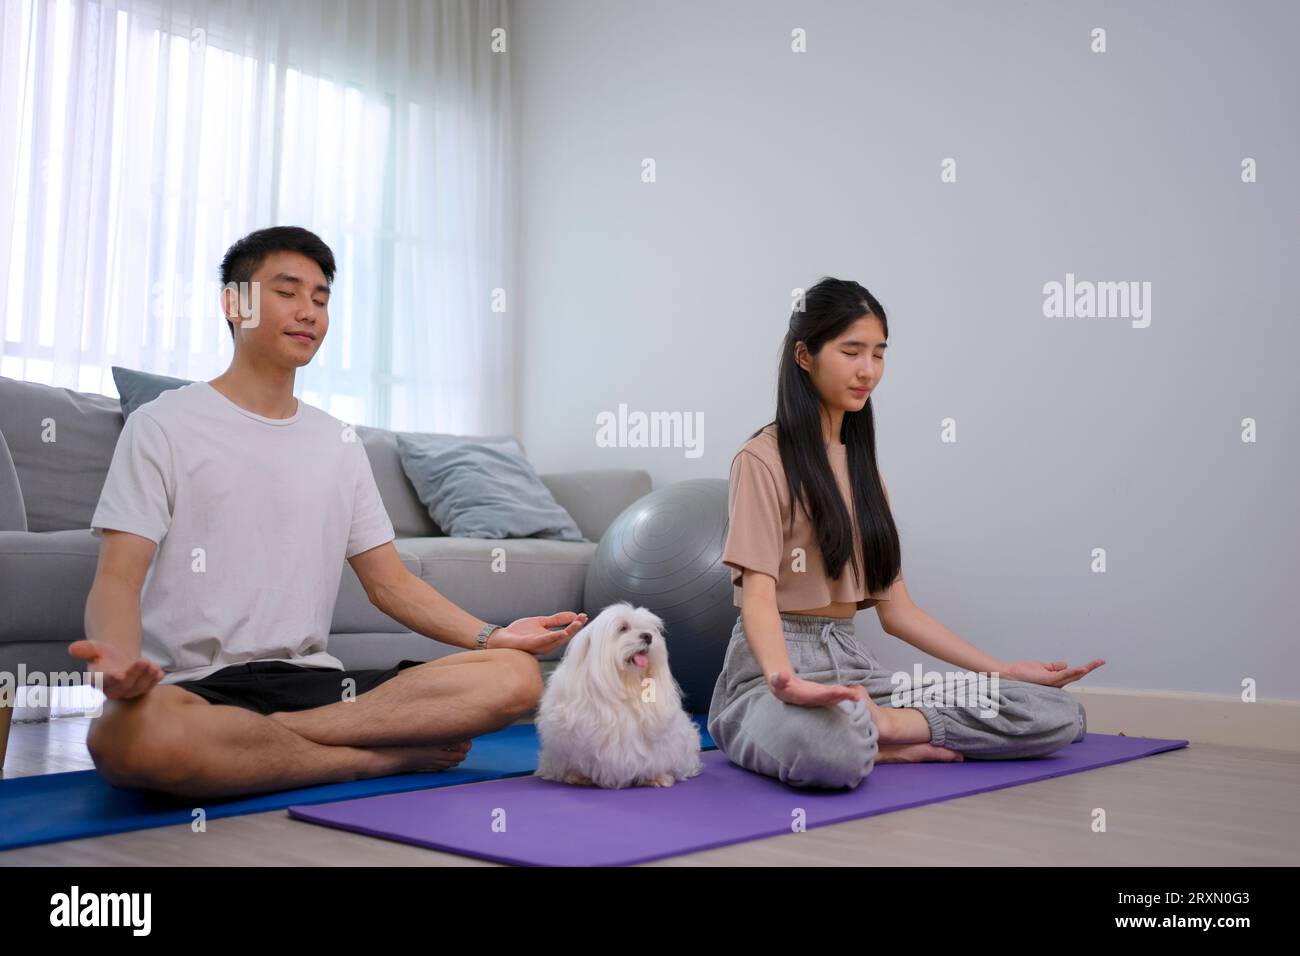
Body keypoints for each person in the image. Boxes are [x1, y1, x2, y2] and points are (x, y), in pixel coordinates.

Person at [73, 225, 587, 799]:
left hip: (319, 687)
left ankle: (260, 742)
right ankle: (371, 763)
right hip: (197, 687)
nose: (309, 313)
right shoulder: (163, 424)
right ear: (234, 303)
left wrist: (494, 636)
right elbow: (118, 577)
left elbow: (390, 583)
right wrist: (117, 663)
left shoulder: (337, 441)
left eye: (321, 299)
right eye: (287, 292)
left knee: (514, 679)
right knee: (125, 740)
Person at [706, 277, 1104, 790]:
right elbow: (758, 597)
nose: (868, 370)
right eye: (851, 351)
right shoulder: (760, 460)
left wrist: (1002, 670)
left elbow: (898, 611)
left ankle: (886, 728)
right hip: (768, 674)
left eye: (878, 353)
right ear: (805, 355)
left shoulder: (864, 471)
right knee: (831, 748)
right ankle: (868, 736)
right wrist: (789, 683)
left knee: (1057, 712)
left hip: (855, 671)